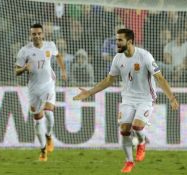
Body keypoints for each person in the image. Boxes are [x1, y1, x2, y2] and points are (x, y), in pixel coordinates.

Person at [73, 29, 179, 173]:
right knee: (124, 130)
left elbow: (160, 78)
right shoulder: (118, 58)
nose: (117, 43)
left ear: (129, 41)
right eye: (117, 40)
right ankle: (129, 161)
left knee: (136, 126)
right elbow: (109, 80)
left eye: (120, 40)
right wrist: (90, 92)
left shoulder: (145, 56)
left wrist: (171, 97)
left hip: (146, 98)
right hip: (128, 98)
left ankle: (141, 142)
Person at [15, 23, 67, 162]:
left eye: (39, 33)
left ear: (43, 34)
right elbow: (16, 71)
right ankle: (43, 150)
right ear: (30, 35)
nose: (37, 36)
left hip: (48, 85)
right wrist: (24, 68)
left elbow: (59, 56)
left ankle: (49, 135)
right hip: (34, 89)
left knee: (49, 112)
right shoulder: (24, 51)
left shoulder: (50, 45)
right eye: (34, 34)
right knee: (38, 121)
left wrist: (63, 71)